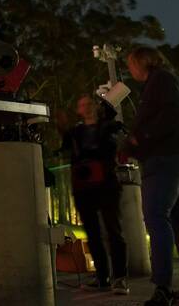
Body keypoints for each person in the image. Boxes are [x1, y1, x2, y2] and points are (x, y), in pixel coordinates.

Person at [124, 46, 179, 306]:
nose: (130, 70)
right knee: (178, 221)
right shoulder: (157, 82)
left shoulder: (161, 80)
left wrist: (140, 138)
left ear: (141, 62)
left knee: (156, 217)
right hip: (169, 156)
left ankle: (162, 287)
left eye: (130, 64)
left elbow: (170, 114)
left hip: (166, 159)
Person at [61, 95, 129, 295]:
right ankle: (102, 276)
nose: (87, 108)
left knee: (113, 230)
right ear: (78, 110)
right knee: (93, 233)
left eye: (90, 104)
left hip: (106, 184)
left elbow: (119, 143)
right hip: (83, 187)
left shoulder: (110, 127)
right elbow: (65, 149)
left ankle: (120, 277)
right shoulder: (75, 133)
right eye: (82, 105)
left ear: (97, 108)